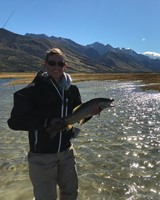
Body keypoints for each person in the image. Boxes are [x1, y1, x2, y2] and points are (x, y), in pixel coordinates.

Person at [8, 48, 99, 200]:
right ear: (45, 64)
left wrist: (91, 112)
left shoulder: (72, 90)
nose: (56, 67)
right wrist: (46, 122)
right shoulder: (32, 90)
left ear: (65, 66)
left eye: (60, 63)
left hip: (66, 152)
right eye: (52, 63)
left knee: (70, 192)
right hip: (41, 156)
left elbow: (79, 116)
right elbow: (14, 122)